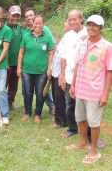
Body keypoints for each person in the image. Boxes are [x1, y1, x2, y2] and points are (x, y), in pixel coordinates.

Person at [66, 15, 112, 164]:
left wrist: (105, 94)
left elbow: (109, 71)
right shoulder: (83, 42)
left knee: (94, 122)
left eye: (95, 25)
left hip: (95, 91)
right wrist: (73, 85)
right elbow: (78, 65)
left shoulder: (107, 46)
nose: (91, 27)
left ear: (101, 28)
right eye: (89, 24)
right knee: (80, 118)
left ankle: (94, 150)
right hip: (80, 88)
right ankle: (83, 142)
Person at [17, 15, 54, 124]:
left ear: (43, 24)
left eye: (40, 23)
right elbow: (21, 52)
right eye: (36, 23)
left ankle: (38, 114)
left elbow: (51, 53)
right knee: (27, 93)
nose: (38, 25)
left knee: (40, 93)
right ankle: (28, 112)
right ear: (32, 24)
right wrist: (19, 67)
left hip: (41, 71)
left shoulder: (47, 37)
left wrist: (49, 69)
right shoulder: (26, 36)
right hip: (27, 70)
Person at [59, 9, 87, 138]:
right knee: (69, 104)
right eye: (69, 19)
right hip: (70, 77)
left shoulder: (88, 33)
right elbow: (63, 56)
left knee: (87, 107)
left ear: (81, 19)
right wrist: (62, 75)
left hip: (85, 78)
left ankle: (90, 135)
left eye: (74, 19)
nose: (72, 21)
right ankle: (72, 128)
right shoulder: (67, 36)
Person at [51, 21, 72, 129]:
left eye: (67, 22)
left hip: (62, 72)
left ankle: (61, 121)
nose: (65, 23)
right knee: (56, 96)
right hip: (56, 70)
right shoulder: (65, 36)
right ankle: (60, 118)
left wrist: (62, 73)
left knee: (61, 97)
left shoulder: (74, 37)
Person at [6, 5, 22, 111]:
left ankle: (10, 103)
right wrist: (5, 61)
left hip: (17, 63)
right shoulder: (5, 29)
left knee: (14, 84)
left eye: (17, 16)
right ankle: (0, 103)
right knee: (4, 84)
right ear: (9, 16)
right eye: (13, 16)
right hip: (7, 62)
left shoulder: (20, 27)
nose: (15, 18)